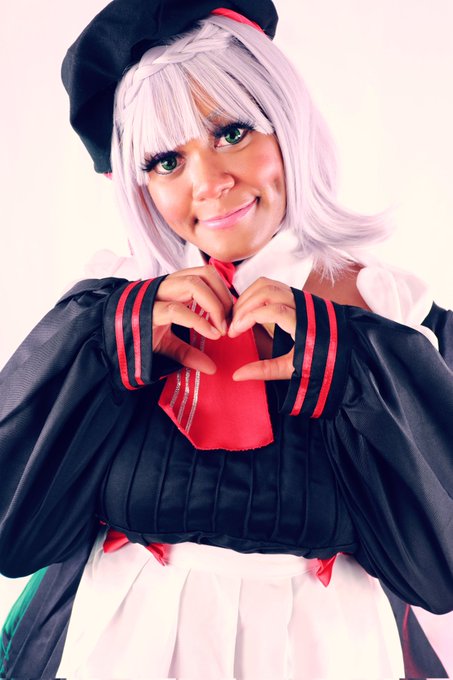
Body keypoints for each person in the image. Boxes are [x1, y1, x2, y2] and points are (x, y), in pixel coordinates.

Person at [0, 0, 452, 677]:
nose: (209, 184)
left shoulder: (390, 310)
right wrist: (109, 343)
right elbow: (16, 530)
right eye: (165, 161)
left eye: (232, 132)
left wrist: (351, 363)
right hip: (119, 649)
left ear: (289, 126)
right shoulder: (106, 309)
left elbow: (439, 565)